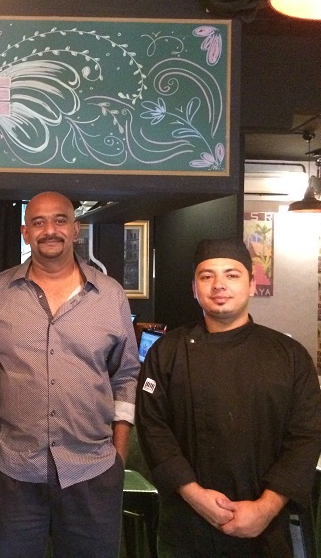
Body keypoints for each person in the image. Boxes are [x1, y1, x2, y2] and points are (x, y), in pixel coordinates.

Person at [0, 191, 140, 558]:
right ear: (25, 232)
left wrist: (119, 455)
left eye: (60, 220)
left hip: (92, 471)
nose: (50, 230)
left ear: (75, 229)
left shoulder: (110, 296)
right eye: (38, 222)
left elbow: (125, 376)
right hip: (11, 470)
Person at [135, 238, 321, 557]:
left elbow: (306, 435)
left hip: (268, 525)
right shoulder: (166, 352)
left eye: (232, 275)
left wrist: (265, 507)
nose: (219, 285)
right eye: (207, 276)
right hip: (187, 523)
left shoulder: (289, 355)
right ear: (194, 288)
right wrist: (195, 496)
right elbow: (153, 429)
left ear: (251, 284)